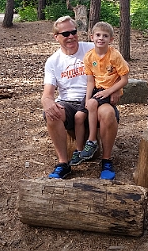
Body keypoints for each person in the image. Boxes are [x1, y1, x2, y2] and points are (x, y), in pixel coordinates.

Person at [41, 16, 122, 180]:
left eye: (73, 32)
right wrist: (47, 103)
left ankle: (106, 161)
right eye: (65, 34)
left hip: (98, 97)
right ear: (56, 37)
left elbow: (119, 69)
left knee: (108, 114)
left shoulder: (93, 48)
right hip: (69, 103)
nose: (70, 36)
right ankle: (63, 163)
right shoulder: (53, 62)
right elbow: (47, 94)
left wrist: (116, 90)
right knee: (52, 113)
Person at [70, 22, 129, 174]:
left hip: (106, 91)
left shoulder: (114, 55)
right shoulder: (89, 56)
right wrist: (88, 98)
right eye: (98, 35)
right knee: (78, 116)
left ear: (111, 39)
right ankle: (79, 150)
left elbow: (124, 79)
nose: (101, 38)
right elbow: (90, 81)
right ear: (92, 37)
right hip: (95, 90)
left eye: (105, 36)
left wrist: (109, 91)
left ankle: (92, 141)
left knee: (94, 105)